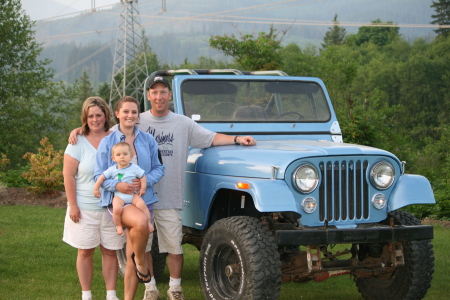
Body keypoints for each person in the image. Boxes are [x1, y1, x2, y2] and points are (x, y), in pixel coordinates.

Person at [69, 78, 256, 300]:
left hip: (159, 196)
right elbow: (99, 138)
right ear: (147, 96)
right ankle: (148, 286)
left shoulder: (160, 132)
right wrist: (81, 130)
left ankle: (172, 288)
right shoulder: (118, 134)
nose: (159, 97)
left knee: (170, 246)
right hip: (125, 199)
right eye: (154, 92)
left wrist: (236, 138)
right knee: (139, 244)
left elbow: (200, 143)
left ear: (169, 95)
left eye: (163, 92)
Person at [95, 96, 164, 300]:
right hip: (118, 201)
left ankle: (129, 293)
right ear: (117, 114)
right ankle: (142, 263)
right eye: (125, 111)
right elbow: (97, 174)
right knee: (142, 222)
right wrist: (118, 185)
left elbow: (160, 167)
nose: (130, 115)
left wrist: (145, 182)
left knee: (129, 255)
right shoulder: (107, 142)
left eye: (134, 112)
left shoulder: (148, 140)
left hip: (143, 199)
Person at [63, 96, 124, 300]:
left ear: (106, 116)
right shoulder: (77, 141)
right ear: (85, 118)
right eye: (90, 116)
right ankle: (86, 294)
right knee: (85, 252)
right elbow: (68, 175)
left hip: (111, 209)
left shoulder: (116, 138)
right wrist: (73, 205)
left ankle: (111, 295)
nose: (95, 120)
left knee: (110, 252)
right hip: (84, 209)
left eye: (98, 115)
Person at [94, 141, 154, 236]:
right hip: (119, 196)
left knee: (142, 206)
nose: (122, 157)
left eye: (125, 154)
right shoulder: (112, 169)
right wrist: (96, 189)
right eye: (118, 155)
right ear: (113, 158)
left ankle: (148, 223)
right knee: (117, 209)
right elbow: (101, 178)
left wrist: (143, 188)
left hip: (133, 195)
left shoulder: (135, 168)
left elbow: (143, 176)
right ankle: (118, 226)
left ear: (131, 156)